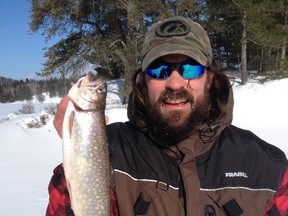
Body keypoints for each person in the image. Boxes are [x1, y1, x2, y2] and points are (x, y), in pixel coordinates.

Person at [46, 16, 288, 216]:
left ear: (210, 78)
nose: (174, 83)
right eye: (159, 69)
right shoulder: (112, 151)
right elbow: (75, 202)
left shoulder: (267, 168)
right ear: (142, 80)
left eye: (190, 68)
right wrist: (82, 147)